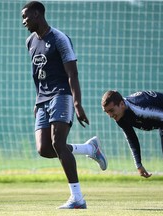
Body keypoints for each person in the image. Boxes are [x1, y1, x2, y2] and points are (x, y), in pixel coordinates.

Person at [21, 1, 107, 209]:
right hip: (42, 100)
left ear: (37, 14)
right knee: (44, 149)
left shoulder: (60, 39)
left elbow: (72, 73)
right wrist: (37, 101)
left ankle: (77, 198)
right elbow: (38, 76)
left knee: (58, 143)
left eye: (26, 17)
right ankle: (89, 148)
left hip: (61, 95)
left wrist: (77, 103)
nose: (23, 22)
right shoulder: (30, 41)